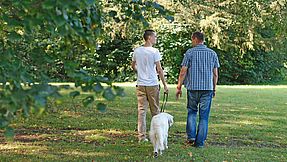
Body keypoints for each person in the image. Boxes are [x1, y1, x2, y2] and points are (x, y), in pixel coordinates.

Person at [176, 31, 220, 148]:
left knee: (192, 112)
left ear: (195, 39)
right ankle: (199, 143)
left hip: (192, 88)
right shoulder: (212, 53)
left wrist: (179, 86)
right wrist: (214, 88)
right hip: (207, 89)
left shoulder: (189, 53)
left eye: (192, 39)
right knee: (204, 116)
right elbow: (215, 74)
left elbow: (183, 71)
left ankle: (191, 137)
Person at [131, 29, 168, 142]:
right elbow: (159, 69)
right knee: (155, 111)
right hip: (152, 84)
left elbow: (133, 66)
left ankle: (141, 137)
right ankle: (157, 136)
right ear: (149, 38)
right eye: (154, 37)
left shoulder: (137, 51)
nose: (155, 39)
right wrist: (165, 85)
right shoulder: (154, 51)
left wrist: (140, 71)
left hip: (140, 84)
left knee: (141, 111)